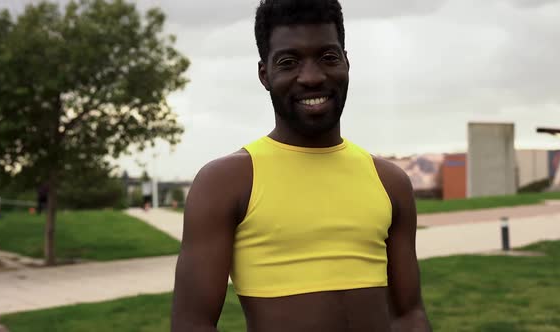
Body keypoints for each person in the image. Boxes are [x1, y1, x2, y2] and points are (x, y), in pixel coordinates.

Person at [171, 0, 431, 331]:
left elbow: (409, 315)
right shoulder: (226, 183)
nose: (311, 77)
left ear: (347, 62)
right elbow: (192, 324)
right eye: (289, 62)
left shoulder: (390, 182)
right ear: (265, 74)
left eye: (328, 57)